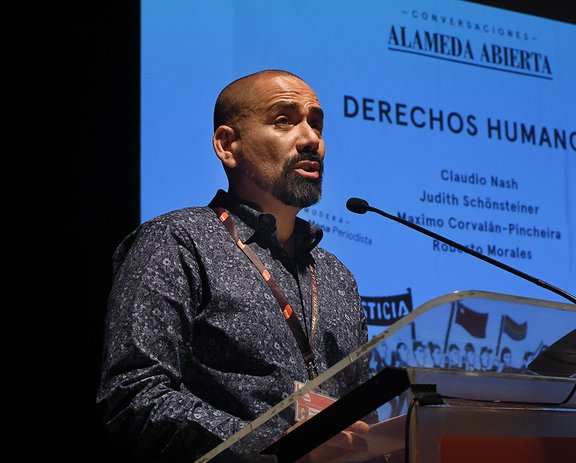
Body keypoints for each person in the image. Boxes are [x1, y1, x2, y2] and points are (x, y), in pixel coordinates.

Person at [97, 70, 371, 462]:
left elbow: (364, 413)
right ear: (227, 145)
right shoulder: (177, 242)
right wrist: (275, 445)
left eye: (316, 124)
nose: (311, 139)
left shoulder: (337, 277)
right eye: (284, 120)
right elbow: (133, 396)